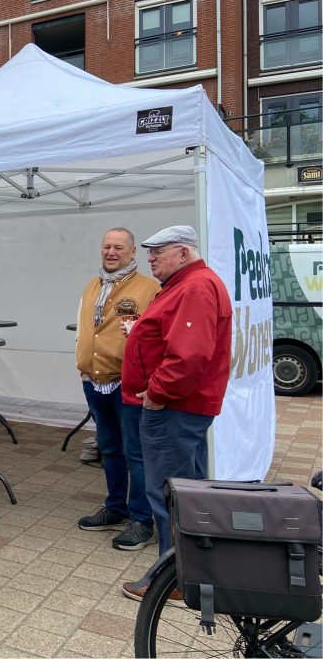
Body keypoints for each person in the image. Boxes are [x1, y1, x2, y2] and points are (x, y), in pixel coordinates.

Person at [120, 225, 232, 601]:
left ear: (183, 253)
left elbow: (189, 356)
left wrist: (156, 393)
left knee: (169, 493)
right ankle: (193, 574)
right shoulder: (190, 284)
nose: (150, 258)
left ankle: (176, 581)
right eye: (149, 252)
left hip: (174, 408)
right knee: (188, 491)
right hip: (183, 407)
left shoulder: (194, 286)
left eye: (158, 252)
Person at [75, 228, 160, 551]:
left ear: (133, 252)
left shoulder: (149, 288)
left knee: (136, 452)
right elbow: (85, 328)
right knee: (109, 447)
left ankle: (141, 518)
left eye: (118, 247)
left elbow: (156, 338)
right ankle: (115, 507)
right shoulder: (92, 285)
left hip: (129, 382)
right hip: (95, 380)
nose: (111, 252)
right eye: (106, 246)